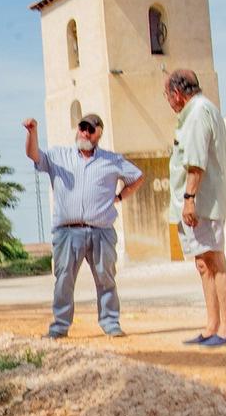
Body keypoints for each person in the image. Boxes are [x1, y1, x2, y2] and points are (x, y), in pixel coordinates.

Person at [22, 112, 142, 339]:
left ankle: (110, 323)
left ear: (99, 133)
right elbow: (33, 154)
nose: (85, 132)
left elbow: (137, 177)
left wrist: (120, 197)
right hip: (67, 232)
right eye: (82, 127)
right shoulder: (59, 156)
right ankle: (59, 326)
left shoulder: (112, 160)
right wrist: (32, 132)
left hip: (102, 231)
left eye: (91, 129)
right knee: (64, 279)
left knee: (106, 278)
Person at [165, 69, 226, 347]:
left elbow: (195, 162)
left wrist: (189, 199)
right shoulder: (199, 112)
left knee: (214, 261)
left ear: (177, 94)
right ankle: (212, 326)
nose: (168, 102)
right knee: (203, 264)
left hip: (202, 202)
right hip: (196, 201)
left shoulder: (197, 114)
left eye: (167, 96)